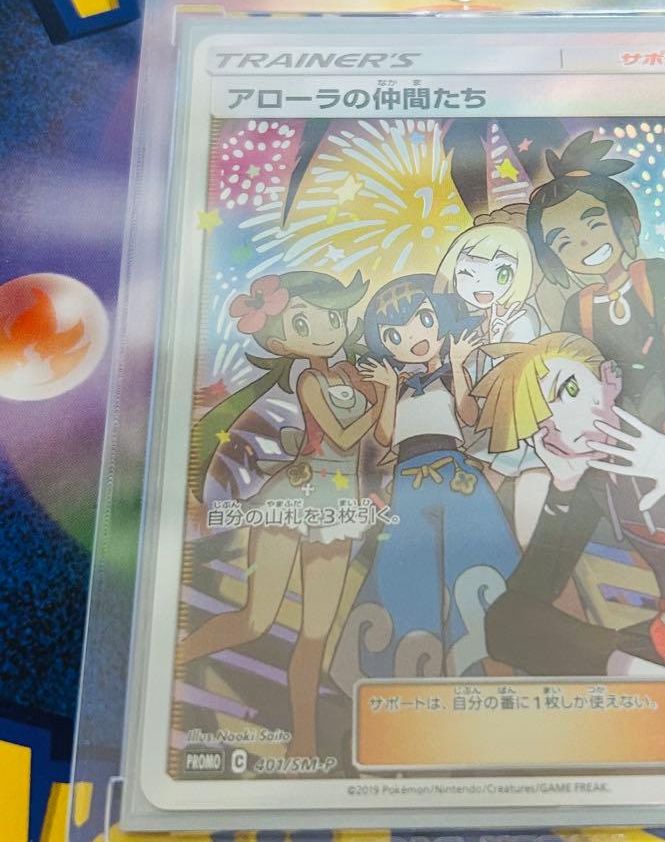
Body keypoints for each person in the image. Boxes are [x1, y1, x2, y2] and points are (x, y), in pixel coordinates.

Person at [472, 332, 665, 677]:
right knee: (505, 621)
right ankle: (652, 676)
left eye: (569, 390)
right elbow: (533, 590)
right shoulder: (592, 479)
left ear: (608, 380)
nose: (564, 421)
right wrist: (563, 487)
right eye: (539, 422)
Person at [180, 270, 379, 757]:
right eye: (303, 324)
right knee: (256, 620)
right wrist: (377, 406)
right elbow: (343, 438)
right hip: (293, 497)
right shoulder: (308, 379)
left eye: (331, 316)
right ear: (279, 341)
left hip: (339, 505)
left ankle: (303, 744)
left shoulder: (353, 375)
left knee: (315, 635)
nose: (324, 330)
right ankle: (173, 661)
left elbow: (383, 439)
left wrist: (387, 395)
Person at [526, 131, 665, 471]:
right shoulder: (578, 307)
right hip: (625, 432)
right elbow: (581, 376)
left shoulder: (654, 275)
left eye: (594, 224)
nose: (583, 244)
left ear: (627, 222)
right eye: (563, 242)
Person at [350, 274, 520, 679]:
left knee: (478, 559)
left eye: (423, 320)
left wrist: (458, 365)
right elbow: (384, 436)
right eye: (394, 334)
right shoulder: (398, 386)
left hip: (454, 472)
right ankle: (412, 663)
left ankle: (485, 657)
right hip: (409, 479)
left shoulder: (449, 375)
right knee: (407, 566)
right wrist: (388, 390)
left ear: (442, 319)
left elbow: (469, 416)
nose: (412, 337)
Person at [434, 207, 550, 546]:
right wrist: (458, 364)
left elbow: (517, 381)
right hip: (496, 440)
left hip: (531, 437)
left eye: (500, 272)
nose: (481, 285)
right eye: (468, 273)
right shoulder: (474, 333)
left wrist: (494, 343)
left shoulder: (522, 319)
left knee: (526, 530)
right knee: (479, 522)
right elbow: (470, 413)